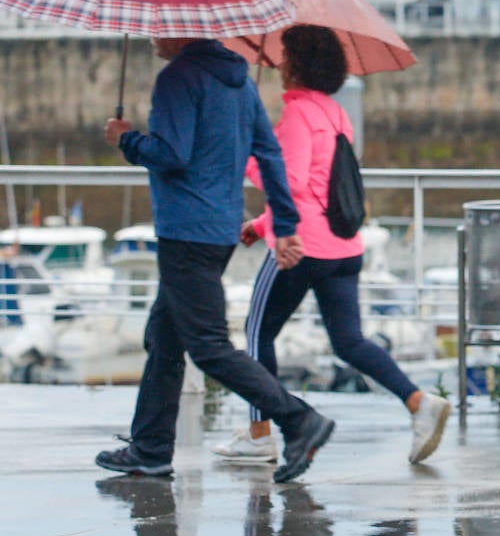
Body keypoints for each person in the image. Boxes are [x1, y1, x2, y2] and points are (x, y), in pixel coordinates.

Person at [96, 36, 335, 485]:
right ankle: (149, 449)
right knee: (164, 336)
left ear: (181, 29)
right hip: (220, 228)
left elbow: (172, 155)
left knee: (207, 345)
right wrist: (283, 222)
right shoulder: (240, 83)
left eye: (160, 24)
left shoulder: (177, 79)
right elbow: (268, 153)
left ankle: (300, 420)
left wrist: (126, 139)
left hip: (185, 229)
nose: (152, 34)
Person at [213, 24, 450, 466]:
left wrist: (250, 160)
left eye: (286, 57)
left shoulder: (298, 115)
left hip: (300, 247)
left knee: (257, 332)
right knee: (349, 341)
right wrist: (263, 223)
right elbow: (321, 188)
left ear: (297, 65)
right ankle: (418, 401)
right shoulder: (335, 114)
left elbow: (292, 182)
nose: (280, 64)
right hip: (343, 247)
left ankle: (259, 433)